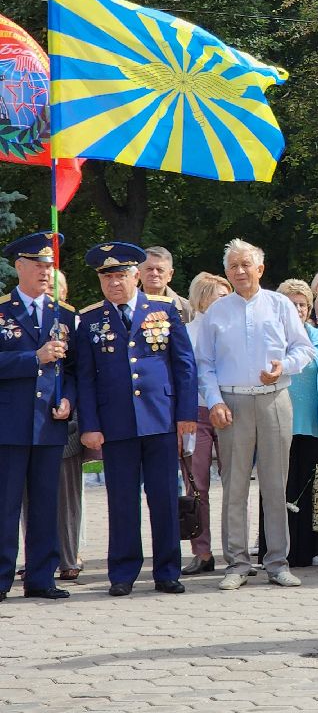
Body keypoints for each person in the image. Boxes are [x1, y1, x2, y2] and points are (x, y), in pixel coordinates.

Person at [191, 239, 316, 591]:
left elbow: (305, 349)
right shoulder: (216, 311)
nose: (240, 271)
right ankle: (237, 563)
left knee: (276, 484)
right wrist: (214, 401)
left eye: (246, 264)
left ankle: (277, 562)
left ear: (260, 269)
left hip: (274, 399)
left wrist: (283, 367)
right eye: (233, 266)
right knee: (234, 485)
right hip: (231, 404)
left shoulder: (279, 305)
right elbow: (205, 363)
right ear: (227, 272)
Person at [75, 242, 197, 597]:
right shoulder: (90, 319)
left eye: (121, 275)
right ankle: (123, 573)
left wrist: (186, 414)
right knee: (122, 501)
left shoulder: (163, 309)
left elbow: (183, 364)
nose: (114, 283)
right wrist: (90, 425)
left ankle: (167, 571)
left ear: (135, 276)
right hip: (116, 424)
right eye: (107, 277)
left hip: (160, 419)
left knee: (163, 498)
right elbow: (86, 377)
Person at [0, 232, 77, 602]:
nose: (47, 272)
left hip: (49, 423)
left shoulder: (65, 314)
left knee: (46, 504)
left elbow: (77, 371)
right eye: (39, 265)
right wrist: (34, 358)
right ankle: (1, 578)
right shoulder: (1, 311)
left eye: (50, 266)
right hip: (10, 423)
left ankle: (41, 577)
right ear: (19, 267)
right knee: (5, 505)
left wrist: (69, 401)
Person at [257, 279, 318, 569]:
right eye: (291, 304)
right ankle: (273, 550)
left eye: (302, 304)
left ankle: (308, 550)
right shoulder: (271, 338)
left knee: (309, 488)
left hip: (314, 422)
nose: (298, 309)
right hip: (278, 422)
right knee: (277, 487)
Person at [180, 272, 232, 574]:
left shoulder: (232, 330)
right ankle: (202, 551)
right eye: (220, 296)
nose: (227, 301)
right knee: (196, 485)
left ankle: (235, 551)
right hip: (195, 415)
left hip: (229, 411)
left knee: (234, 483)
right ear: (203, 298)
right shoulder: (185, 331)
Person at [49, 268, 85, 581]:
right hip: (29, 421)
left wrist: (70, 401)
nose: (50, 289)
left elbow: (78, 371)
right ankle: (39, 558)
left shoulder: (73, 322)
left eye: (57, 286)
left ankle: (69, 557)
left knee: (67, 495)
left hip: (67, 421)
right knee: (29, 497)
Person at [140, 246, 194, 322]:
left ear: (170, 274)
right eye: (149, 269)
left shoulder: (187, 310)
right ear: (139, 272)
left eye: (160, 270)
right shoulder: (125, 305)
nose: (154, 273)